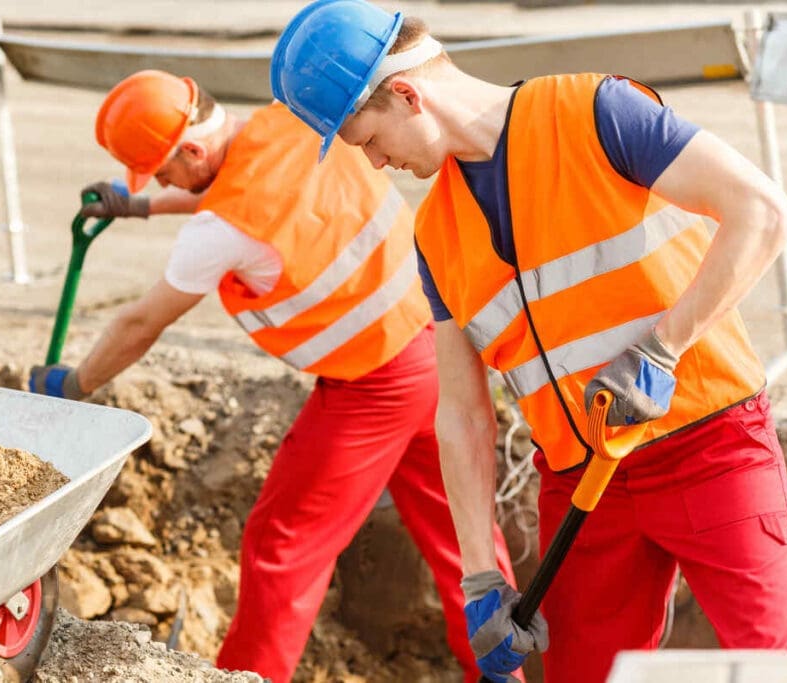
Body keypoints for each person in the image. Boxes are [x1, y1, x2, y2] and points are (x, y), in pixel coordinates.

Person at [269, 1, 787, 682]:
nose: (377, 163)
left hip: (710, 447)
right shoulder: (436, 233)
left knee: (773, 665)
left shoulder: (594, 112)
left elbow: (763, 212)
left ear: (407, 94)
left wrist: (663, 347)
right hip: (585, 482)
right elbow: (462, 412)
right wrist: (478, 576)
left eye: (368, 141)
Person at [28, 68, 520, 683]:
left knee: (282, 544)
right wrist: (141, 206)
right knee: (464, 547)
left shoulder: (222, 229)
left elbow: (138, 324)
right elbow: (240, 184)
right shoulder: (289, 123)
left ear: (192, 150)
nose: (161, 182)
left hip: (376, 383)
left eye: (161, 172)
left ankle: (244, 678)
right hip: (441, 350)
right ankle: (507, 675)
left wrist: (72, 386)